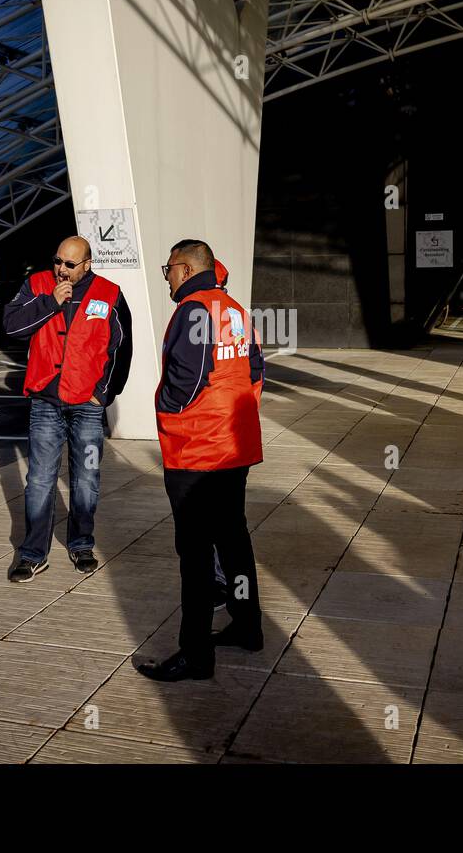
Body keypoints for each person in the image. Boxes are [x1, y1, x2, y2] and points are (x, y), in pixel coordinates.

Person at [138, 240, 264, 683]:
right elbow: (255, 372)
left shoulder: (193, 310)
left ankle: (195, 655)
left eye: (168, 268)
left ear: (186, 268)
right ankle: (248, 627)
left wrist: (166, 413)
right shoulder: (234, 309)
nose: (166, 276)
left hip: (198, 450)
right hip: (234, 444)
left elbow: (184, 380)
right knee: (233, 538)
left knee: (194, 554)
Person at [2, 236, 132, 582]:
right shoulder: (37, 286)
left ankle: (81, 544)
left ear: (87, 264)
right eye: (57, 261)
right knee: (40, 480)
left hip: (87, 405)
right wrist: (49, 303)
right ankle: (32, 554)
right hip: (46, 400)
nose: (60, 269)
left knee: (86, 479)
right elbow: (12, 326)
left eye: (69, 264)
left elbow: (122, 348)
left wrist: (104, 392)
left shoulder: (110, 293)